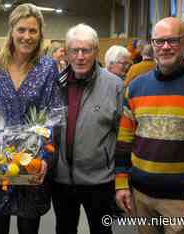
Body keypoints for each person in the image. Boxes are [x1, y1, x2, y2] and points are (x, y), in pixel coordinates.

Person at [115, 17, 184, 234]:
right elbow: (124, 140)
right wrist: (121, 183)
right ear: (152, 44)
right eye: (159, 41)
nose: (165, 47)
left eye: (172, 41)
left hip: (181, 201)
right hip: (141, 196)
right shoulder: (136, 87)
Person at [0, 4, 62, 234]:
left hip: (30, 164)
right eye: (21, 29)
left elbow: (52, 119)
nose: (27, 36)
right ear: (11, 30)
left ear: (40, 33)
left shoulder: (47, 67)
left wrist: (45, 160)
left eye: (33, 31)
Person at [52, 24, 123, 234]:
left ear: (96, 52)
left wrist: (121, 179)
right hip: (62, 179)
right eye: (75, 50)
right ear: (67, 53)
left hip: (99, 180)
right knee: (64, 229)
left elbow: (123, 137)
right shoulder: (56, 84)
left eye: (86, 50)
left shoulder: (115, 86)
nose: (80, 56)